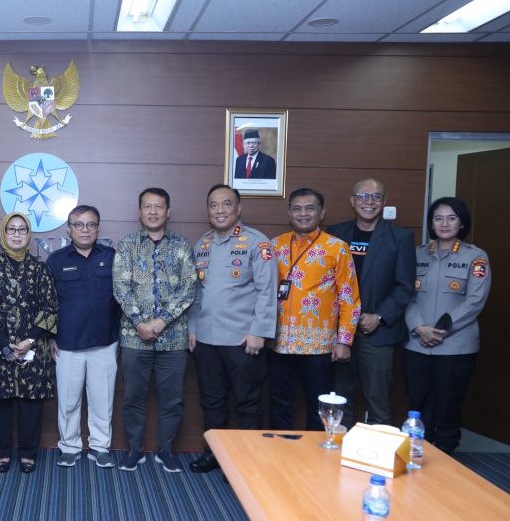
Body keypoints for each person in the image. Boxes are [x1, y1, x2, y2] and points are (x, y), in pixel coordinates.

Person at [188, 184, 277, 473]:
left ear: (239, 209)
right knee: (212, 401)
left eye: (226, 204)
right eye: (213, 205)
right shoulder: (202, 244)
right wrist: (193, 329)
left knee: (247, 402)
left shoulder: (257, 243)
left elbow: (267, 291)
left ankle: (246, 463)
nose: (220, 210)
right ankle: (214, 454)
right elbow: (197, 293)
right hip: (206, 338)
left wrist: (259, 332)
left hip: (242, 339)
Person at [112, 188, 196, 473]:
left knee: (173, 399)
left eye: (158, 206)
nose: (153, 211)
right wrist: (139, 323)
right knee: (132, 398)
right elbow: (121, 288)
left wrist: (161, 322)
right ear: (139, 212)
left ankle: (165, 450)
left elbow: (189, 288)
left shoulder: (181, 245)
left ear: (168, 212)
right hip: (135, 338)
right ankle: (134, 450)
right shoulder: (127, 245)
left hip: (173, 339)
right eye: (147, 206)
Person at [403, 197, 490, 454]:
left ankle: (446, 458)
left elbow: (475, 300)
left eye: (451, 218)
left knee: (447, 407)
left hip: (455, 347)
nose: (444, 223)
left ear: (461, 223)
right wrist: (419, 327)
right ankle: (418, 454)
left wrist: (441, 330)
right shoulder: (417, 254)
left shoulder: (475, 257)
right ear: (431, 223)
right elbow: (406, 294)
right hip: (417, 344)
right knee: (418, 404)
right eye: (438, 218)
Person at [0, 213, 58, 474]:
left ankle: (28, 453)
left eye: (22, 230)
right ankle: (2, 453)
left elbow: (51, 308)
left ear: (29, 235)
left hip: (33, 347)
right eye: (11, 229)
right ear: (3, 233)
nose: (17, 234)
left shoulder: (40, 269)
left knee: (31, 404)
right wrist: (4, 345)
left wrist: (29, 340)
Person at [268, 188, 360, 430]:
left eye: (310, 208)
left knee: (318, 405)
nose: (303, 214)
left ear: (322, 213)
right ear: (289, 213)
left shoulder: (337, 248)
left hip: (318, 346)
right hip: (279, 342)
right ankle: (279, 450)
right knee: (279, 403)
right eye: (297, 209)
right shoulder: (275, 245)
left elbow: (349, 297)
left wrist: (344, 341)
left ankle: (315, 453)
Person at [327, 179, 415, 426]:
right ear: (352, 200)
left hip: (377, 331)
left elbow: (405, 286)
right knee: (339, 398)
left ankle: (378, 449)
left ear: (384, 201)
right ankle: (338, 447)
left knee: (378, 400)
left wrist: (379, 316)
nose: (369, 202)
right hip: (339, 331)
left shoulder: (401, 237)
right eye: (363, 196)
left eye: (376, 197)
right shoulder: (335, 233)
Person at [47, 205, 121, 468]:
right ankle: (69, 446)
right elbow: (48, 303)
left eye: (91, 224)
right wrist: (49, 336)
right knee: (68, 401)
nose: (85, 230)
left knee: (103, 401)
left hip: (105, 341)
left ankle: (100, 447)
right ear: (69, 229)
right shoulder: (56, 260)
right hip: (67, 344)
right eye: (78, 225)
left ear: (98, 229)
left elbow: (122, 298)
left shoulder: (112, 257)